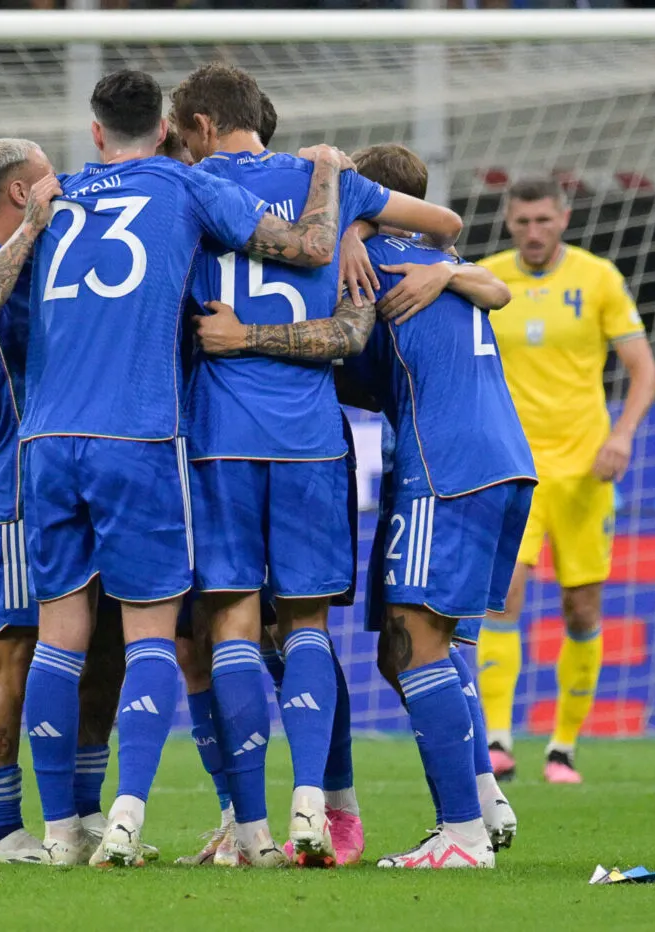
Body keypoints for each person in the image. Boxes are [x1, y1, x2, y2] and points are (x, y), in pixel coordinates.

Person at [0, 69, 346, 868]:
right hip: (138, 436)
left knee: (60, 641)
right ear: (166, 132)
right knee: (151, 640)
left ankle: (62, 830)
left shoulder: (56, 201)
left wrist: (30, 231)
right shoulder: (185, 187)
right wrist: (330, 172)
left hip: (44, 444)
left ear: (95, 133)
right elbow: (306, 245)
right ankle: (134, 818)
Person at [197, 142, 534, 868]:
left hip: (445, 465)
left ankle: (463, 836)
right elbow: (469, 302)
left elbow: (330, 345)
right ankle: (484, 799)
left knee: (413, 644)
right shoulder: (437, 266)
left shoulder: (371, 263)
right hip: (503, 460)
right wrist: (449, 266)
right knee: (422, 646)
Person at [171, 62, 463, 868]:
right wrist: (357, 228)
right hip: (311, 439)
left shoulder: (186, 190)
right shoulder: (328, 178)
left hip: (220, 433)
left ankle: (250, 828)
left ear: (199, 126)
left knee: (228, 617)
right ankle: (316, 805)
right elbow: (445, 222)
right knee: (306, 623)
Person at [0, 138, 138, 864]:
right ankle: (1, 830)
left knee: (107, 649)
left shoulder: (63, 261)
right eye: (48, 178)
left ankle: (85, 814)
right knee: (15, 652)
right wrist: (30, 231)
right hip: (17, 490)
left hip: (84, 480)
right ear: (25, 193)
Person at [477, 178, 655, 784]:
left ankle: (562, 747)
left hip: (585, 468)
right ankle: (499, 739)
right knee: (504, 594)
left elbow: (643, 372)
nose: (534, 231)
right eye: (523, 220)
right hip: (514, 466)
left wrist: (623, 435)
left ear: (564, 218)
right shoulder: (485, 277)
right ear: (508, 222)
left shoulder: (598, 277)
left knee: (582, 608)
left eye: (544, 220)